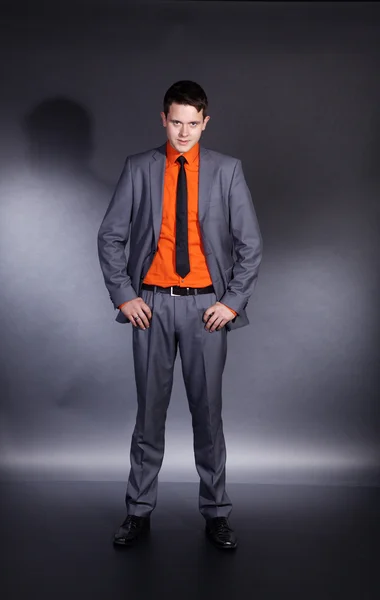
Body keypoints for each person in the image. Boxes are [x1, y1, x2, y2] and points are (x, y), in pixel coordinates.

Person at [97, 80, 263, 550]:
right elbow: (110, 236)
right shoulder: (139, 168)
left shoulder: (227, 171)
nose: (184, 132)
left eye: (193, 124)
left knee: (208, 416)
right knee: (148, 416)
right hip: (151, 305)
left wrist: (230, 302)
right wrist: (124, 294)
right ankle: (138, 511)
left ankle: (216, 513)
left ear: (205, 122)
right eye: (176, 122)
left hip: (205, 309)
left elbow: (250, 244)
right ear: (163, 119)